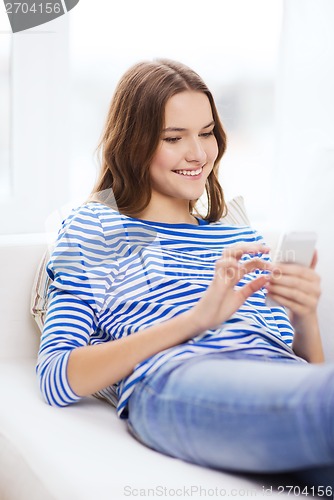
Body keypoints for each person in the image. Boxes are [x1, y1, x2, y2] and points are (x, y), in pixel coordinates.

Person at [37, 59, 334, 487]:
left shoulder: (237, 235)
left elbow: (302, 375)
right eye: (174, 138)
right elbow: (56, 376)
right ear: (134, 143)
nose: (198, 154)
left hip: (280, 382)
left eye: (207, 132)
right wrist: (196, 319)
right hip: (179, 378)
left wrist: (303, 315)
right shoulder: (97, 226)